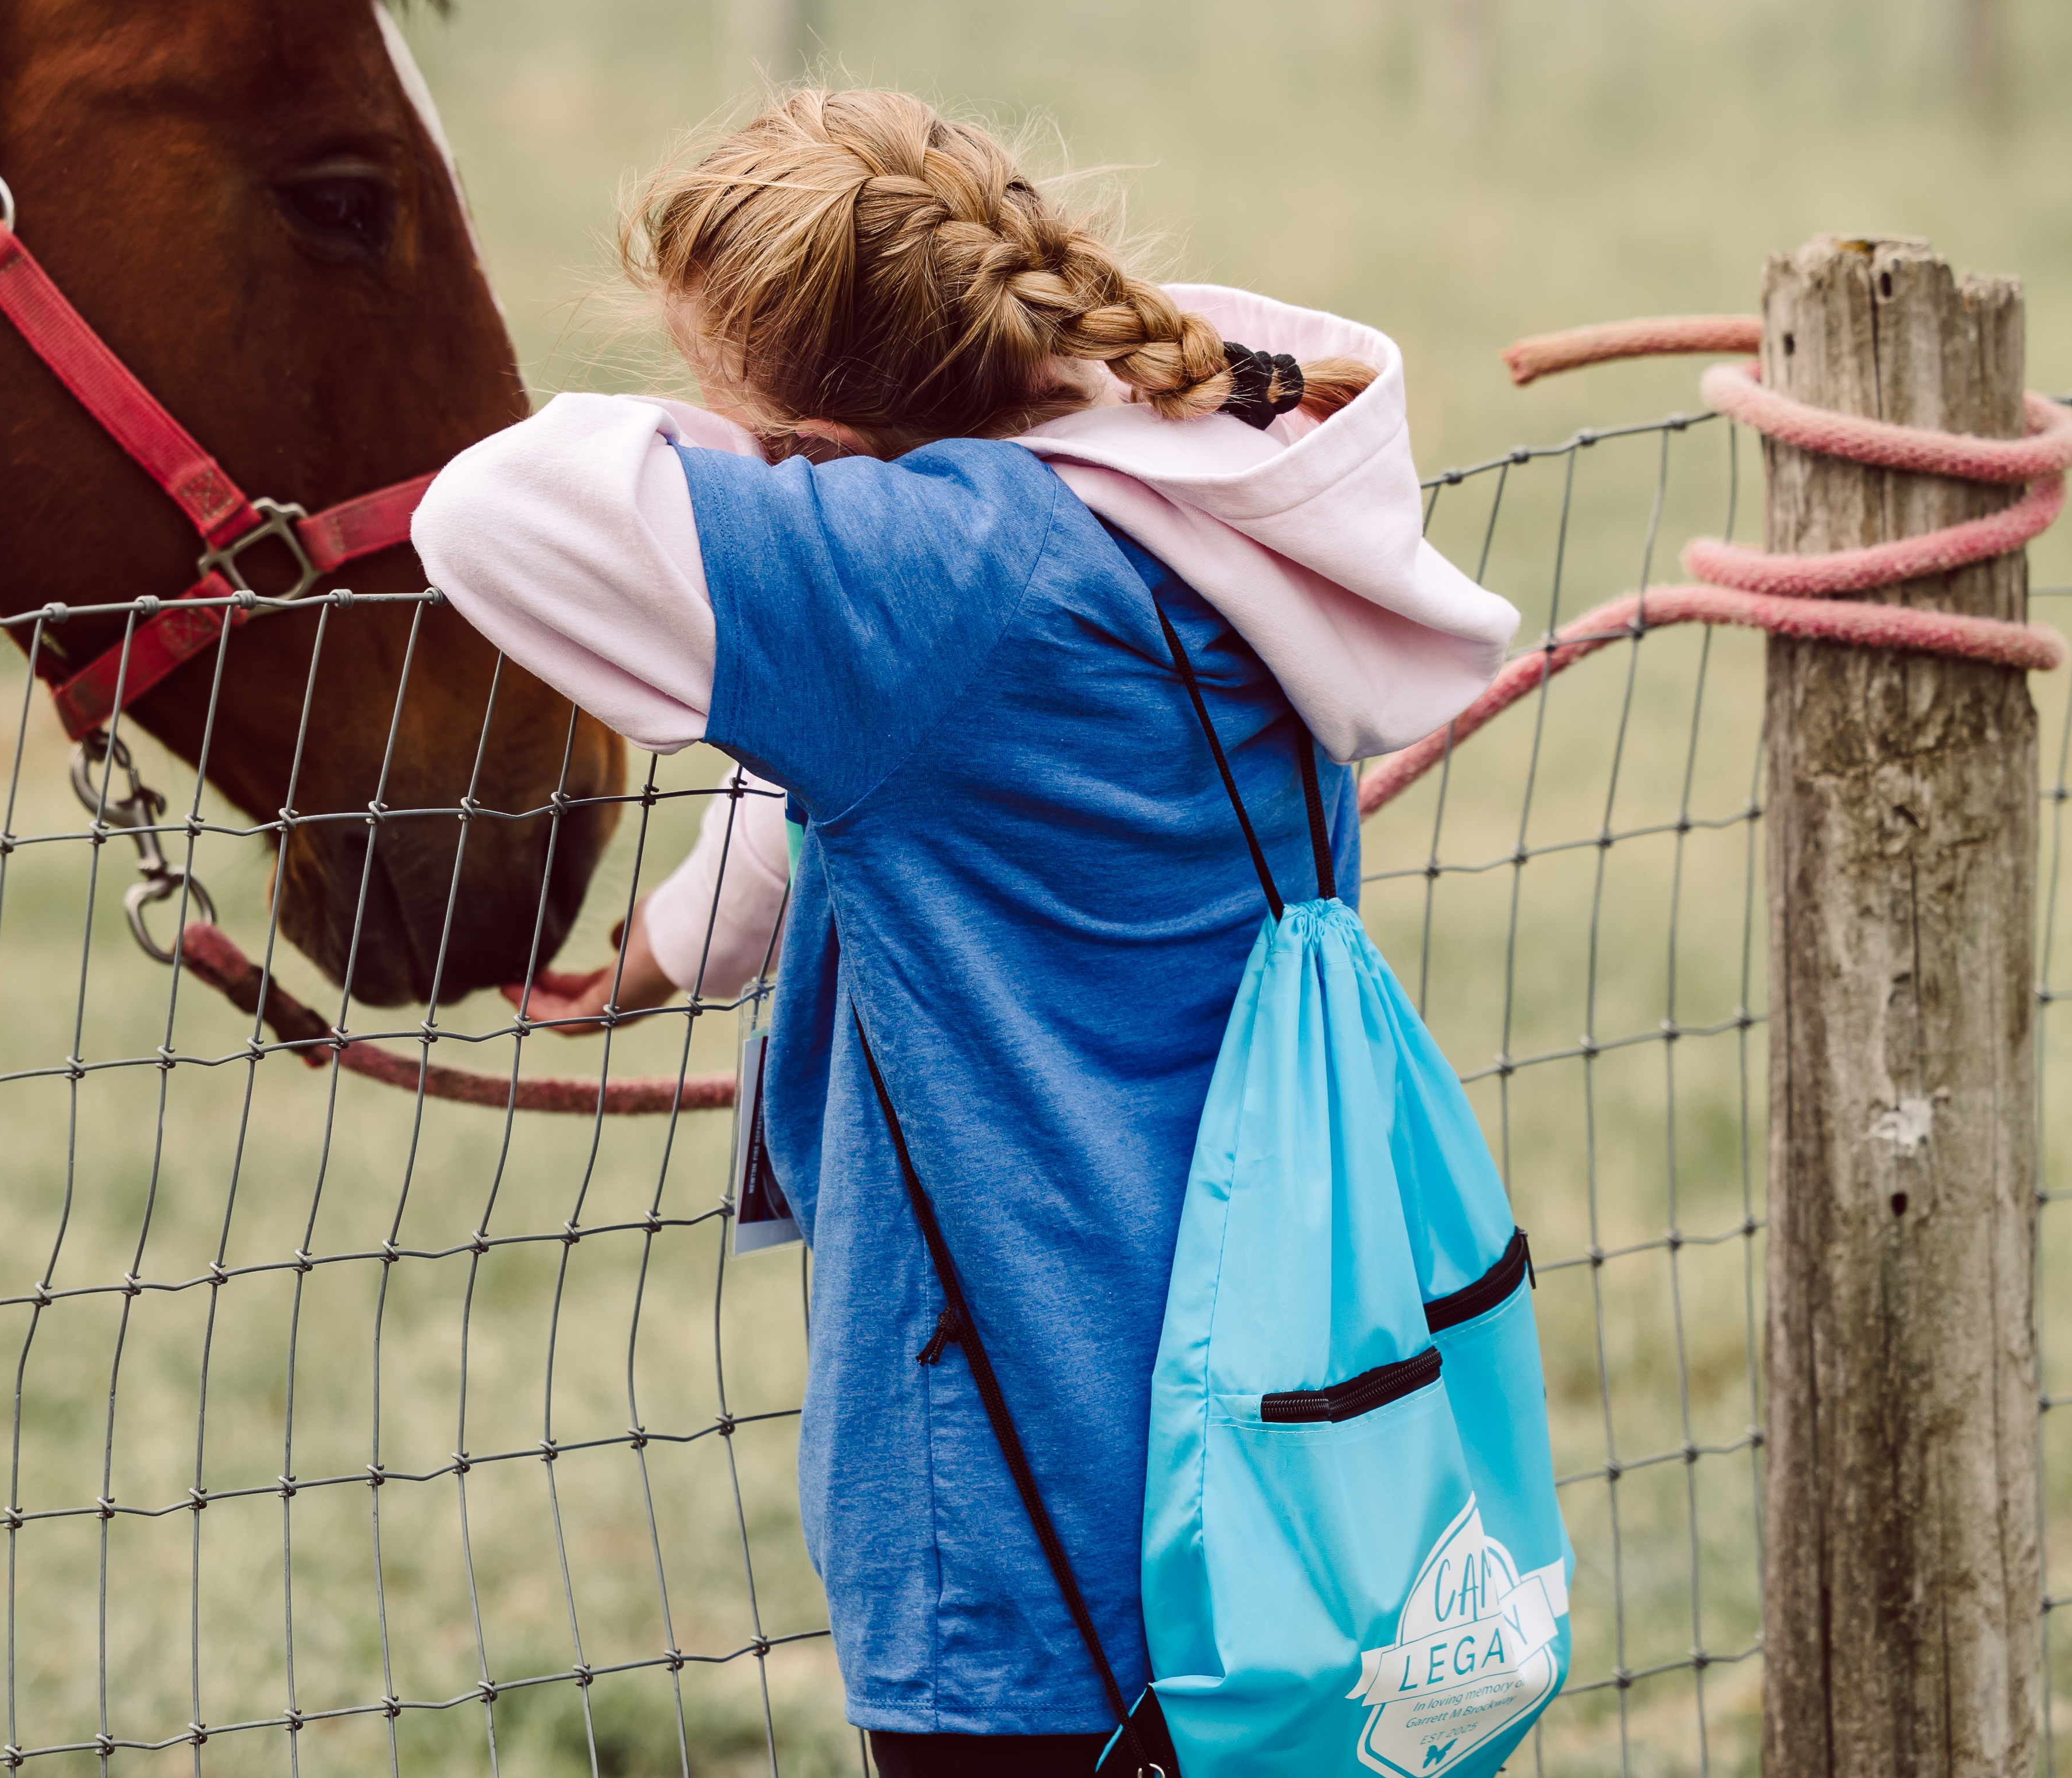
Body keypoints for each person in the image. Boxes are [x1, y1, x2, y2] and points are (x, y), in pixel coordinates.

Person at [410, 90, 1514, 1773]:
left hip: (1024, 1495)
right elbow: (873, 775)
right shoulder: (1201, 500)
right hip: (1293, 1407)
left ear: (829, 437)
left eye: (722, 394)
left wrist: (756, 462)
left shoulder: (932, 576)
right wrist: (665, 949)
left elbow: (488, 510)